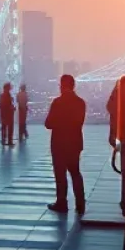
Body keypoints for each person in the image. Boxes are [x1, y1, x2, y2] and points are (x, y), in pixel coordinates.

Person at [46, 73, 87, 216]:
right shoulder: (81, 102)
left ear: (62, 86)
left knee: (60, 174)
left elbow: (48, 124)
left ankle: (62, 202)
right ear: (74, 85)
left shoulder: (57, 102)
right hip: (75, 143)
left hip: (59, 143)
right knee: (75, 172)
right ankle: (80, 203)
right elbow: (79, 122)